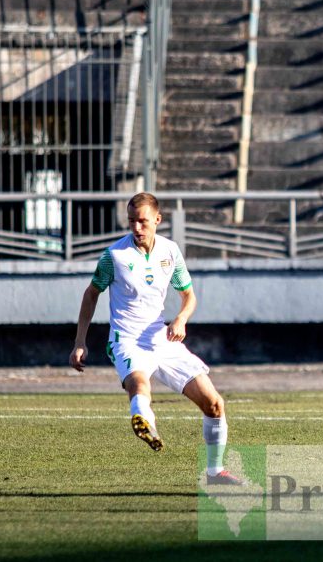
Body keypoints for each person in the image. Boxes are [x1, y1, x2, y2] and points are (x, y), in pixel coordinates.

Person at [69, 192, 240, 485]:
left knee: (214, 403)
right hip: (127, 338)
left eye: (143, 222)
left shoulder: (170, 252)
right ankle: (145, 422)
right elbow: (92, 293)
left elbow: (188, 294)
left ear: (157, 220)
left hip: (161, 338)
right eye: (132, 221)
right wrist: (80, 342)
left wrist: (182, 318)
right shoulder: (114, 256)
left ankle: (215, 473)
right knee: (139, 384)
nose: (137, 228)